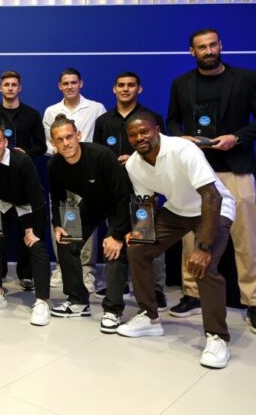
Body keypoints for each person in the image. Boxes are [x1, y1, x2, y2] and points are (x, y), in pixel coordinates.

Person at [118, 112, 236, 369]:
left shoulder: (182, 149)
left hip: (213, 209)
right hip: (177, 211)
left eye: (144, 131)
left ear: (157, 130)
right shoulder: (134, 164)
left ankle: (217, 337)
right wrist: (140, 231)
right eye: (133, 135)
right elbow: (146, 203)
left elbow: (212, 196)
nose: (139, 138)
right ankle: (149, 317)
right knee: (138, 249)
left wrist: (202, 246)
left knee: (203, 266)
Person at [165, 28, 256, 334]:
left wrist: (238, 137)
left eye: (212, 45)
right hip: (196, 171)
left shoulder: (246, 79)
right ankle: (192, 293)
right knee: (191, 235)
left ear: (221, 45)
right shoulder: (181, 83)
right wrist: (181, 139)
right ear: (191, 52)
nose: (208, 51)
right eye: (201, 47)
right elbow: (171, 120)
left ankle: (254, 302)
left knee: (246, 237)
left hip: (236, 167)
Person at [47, 115, 132, 331]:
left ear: (78, 135)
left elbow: (124, 195)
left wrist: (117, 235)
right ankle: (78, 301)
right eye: (60, 139)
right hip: (92, 204)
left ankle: (113, 310)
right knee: (66, 242)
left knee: (112, 249)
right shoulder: (54, 164)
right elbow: (57, 198)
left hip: (119, 205)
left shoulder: (101, 155)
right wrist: (58, 224)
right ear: (53, 143)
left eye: (69, 137)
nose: (66, 143)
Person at [92, 71, 168, 309]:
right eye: (121, 85)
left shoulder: (151, 118)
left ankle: (155, 289)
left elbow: (163, 151)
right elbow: (97, 155)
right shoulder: (103, 121)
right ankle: (119, 283)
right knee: (116, 234)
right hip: (114, 190)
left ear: (139, 89)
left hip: (144, 186)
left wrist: (135, 158)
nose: (125, 89)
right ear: (114, 89)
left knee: (147, 238)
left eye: (131, 85)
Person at [0, 123, 51, 325]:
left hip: (27, 206)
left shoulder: (22, 161)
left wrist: (35, 230)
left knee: (37, 246)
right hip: (2, 206)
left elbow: (37, 199)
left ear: (6, 142)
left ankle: (42, 301)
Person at [42, 68, 106, 292]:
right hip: (62, 171)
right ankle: (63, 266)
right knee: (63, 216)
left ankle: (87, 270)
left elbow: (99, 140)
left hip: (88, 172)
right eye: (65, 83)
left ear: (81, 83)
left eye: (73, 82)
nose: (69, 86)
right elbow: (49, 142)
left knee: (88, 219)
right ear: (60, 86)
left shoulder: (96, 108)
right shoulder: (51, 111)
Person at [0, 70, 46, 291]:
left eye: (14, 84)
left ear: (19, 88)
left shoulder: (32, 114)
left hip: (23, 181)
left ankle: (26, 274)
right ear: (0, 88)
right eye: (6, 84)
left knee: (27, 230)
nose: (10, 88)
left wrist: (25, 153)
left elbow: (42, 146)